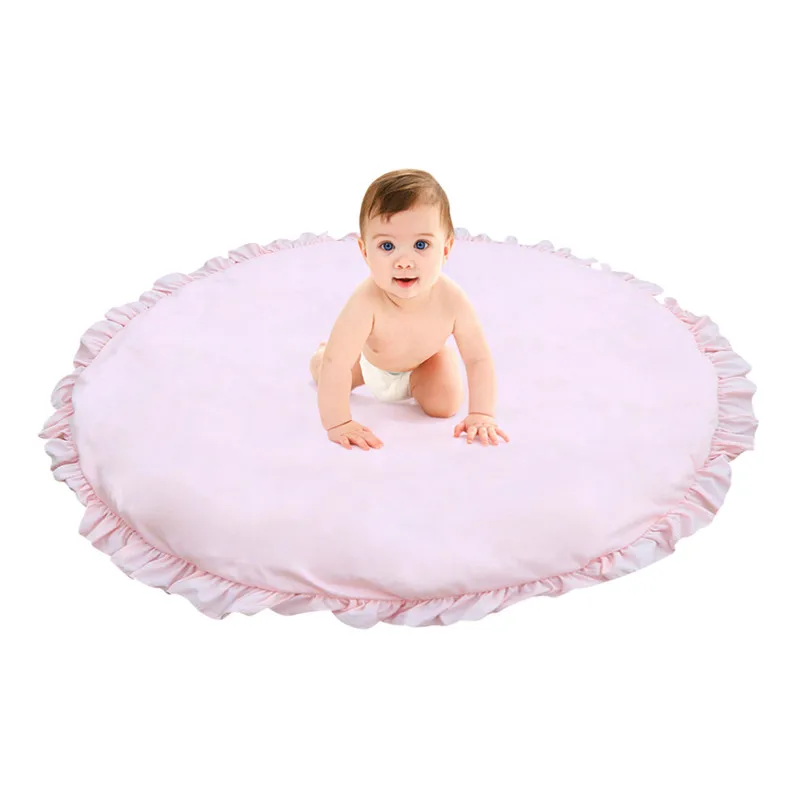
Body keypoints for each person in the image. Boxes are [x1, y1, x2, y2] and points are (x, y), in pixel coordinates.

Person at [310, 168, 510, 451]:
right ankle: (320, 355)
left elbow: (478, 359)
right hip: (370, 367)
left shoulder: (452, 300)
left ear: (446, 249)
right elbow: (338, 364)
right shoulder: (366, 302)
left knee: (445, 405)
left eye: (421, 244)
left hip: (423, 366)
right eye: (387, 246)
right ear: (365, 251)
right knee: (328, 369)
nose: (404, 261)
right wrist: (339, 423)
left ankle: (425, 379)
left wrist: (481, 413)